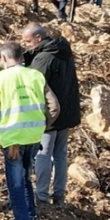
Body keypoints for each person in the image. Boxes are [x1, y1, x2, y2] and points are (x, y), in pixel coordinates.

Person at [0, 42, 59, 220]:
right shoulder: (35, 75)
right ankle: (31, 218)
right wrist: (45, 124)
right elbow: (54, 106)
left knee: (15, 187)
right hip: (34, 137)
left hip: (13, 141)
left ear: (6, 58)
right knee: (26, 178)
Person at [21, 23, 81, 208]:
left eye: (28, 41)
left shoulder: (43, 59)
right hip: (66, 113)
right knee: (61, 155)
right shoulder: (64, 52)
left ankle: (42, 196)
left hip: (49, 116)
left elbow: (34, 88)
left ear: (39, 38)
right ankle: (59, 195)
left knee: (43, 154)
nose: (26, 45)